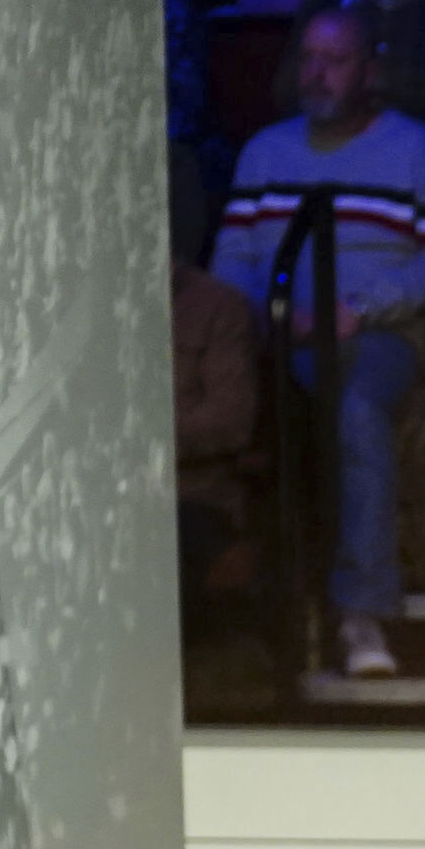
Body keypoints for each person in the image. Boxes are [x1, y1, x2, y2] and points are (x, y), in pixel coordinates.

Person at [208, 6, 425, 679]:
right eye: (307, 57)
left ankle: (361, 614)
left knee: (356, 408)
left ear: (370, 70)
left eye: (334, 60)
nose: (317, 73)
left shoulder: (412, 147)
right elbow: (232, 265)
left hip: (375, 336)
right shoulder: (265, 153)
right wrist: (281, 318)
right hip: (282, 336)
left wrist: (359, 309)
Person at [170, 228, 258, 630]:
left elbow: (230, 420)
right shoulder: (87, 305)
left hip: (190, 494)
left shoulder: (219, 307)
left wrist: (138, 440)